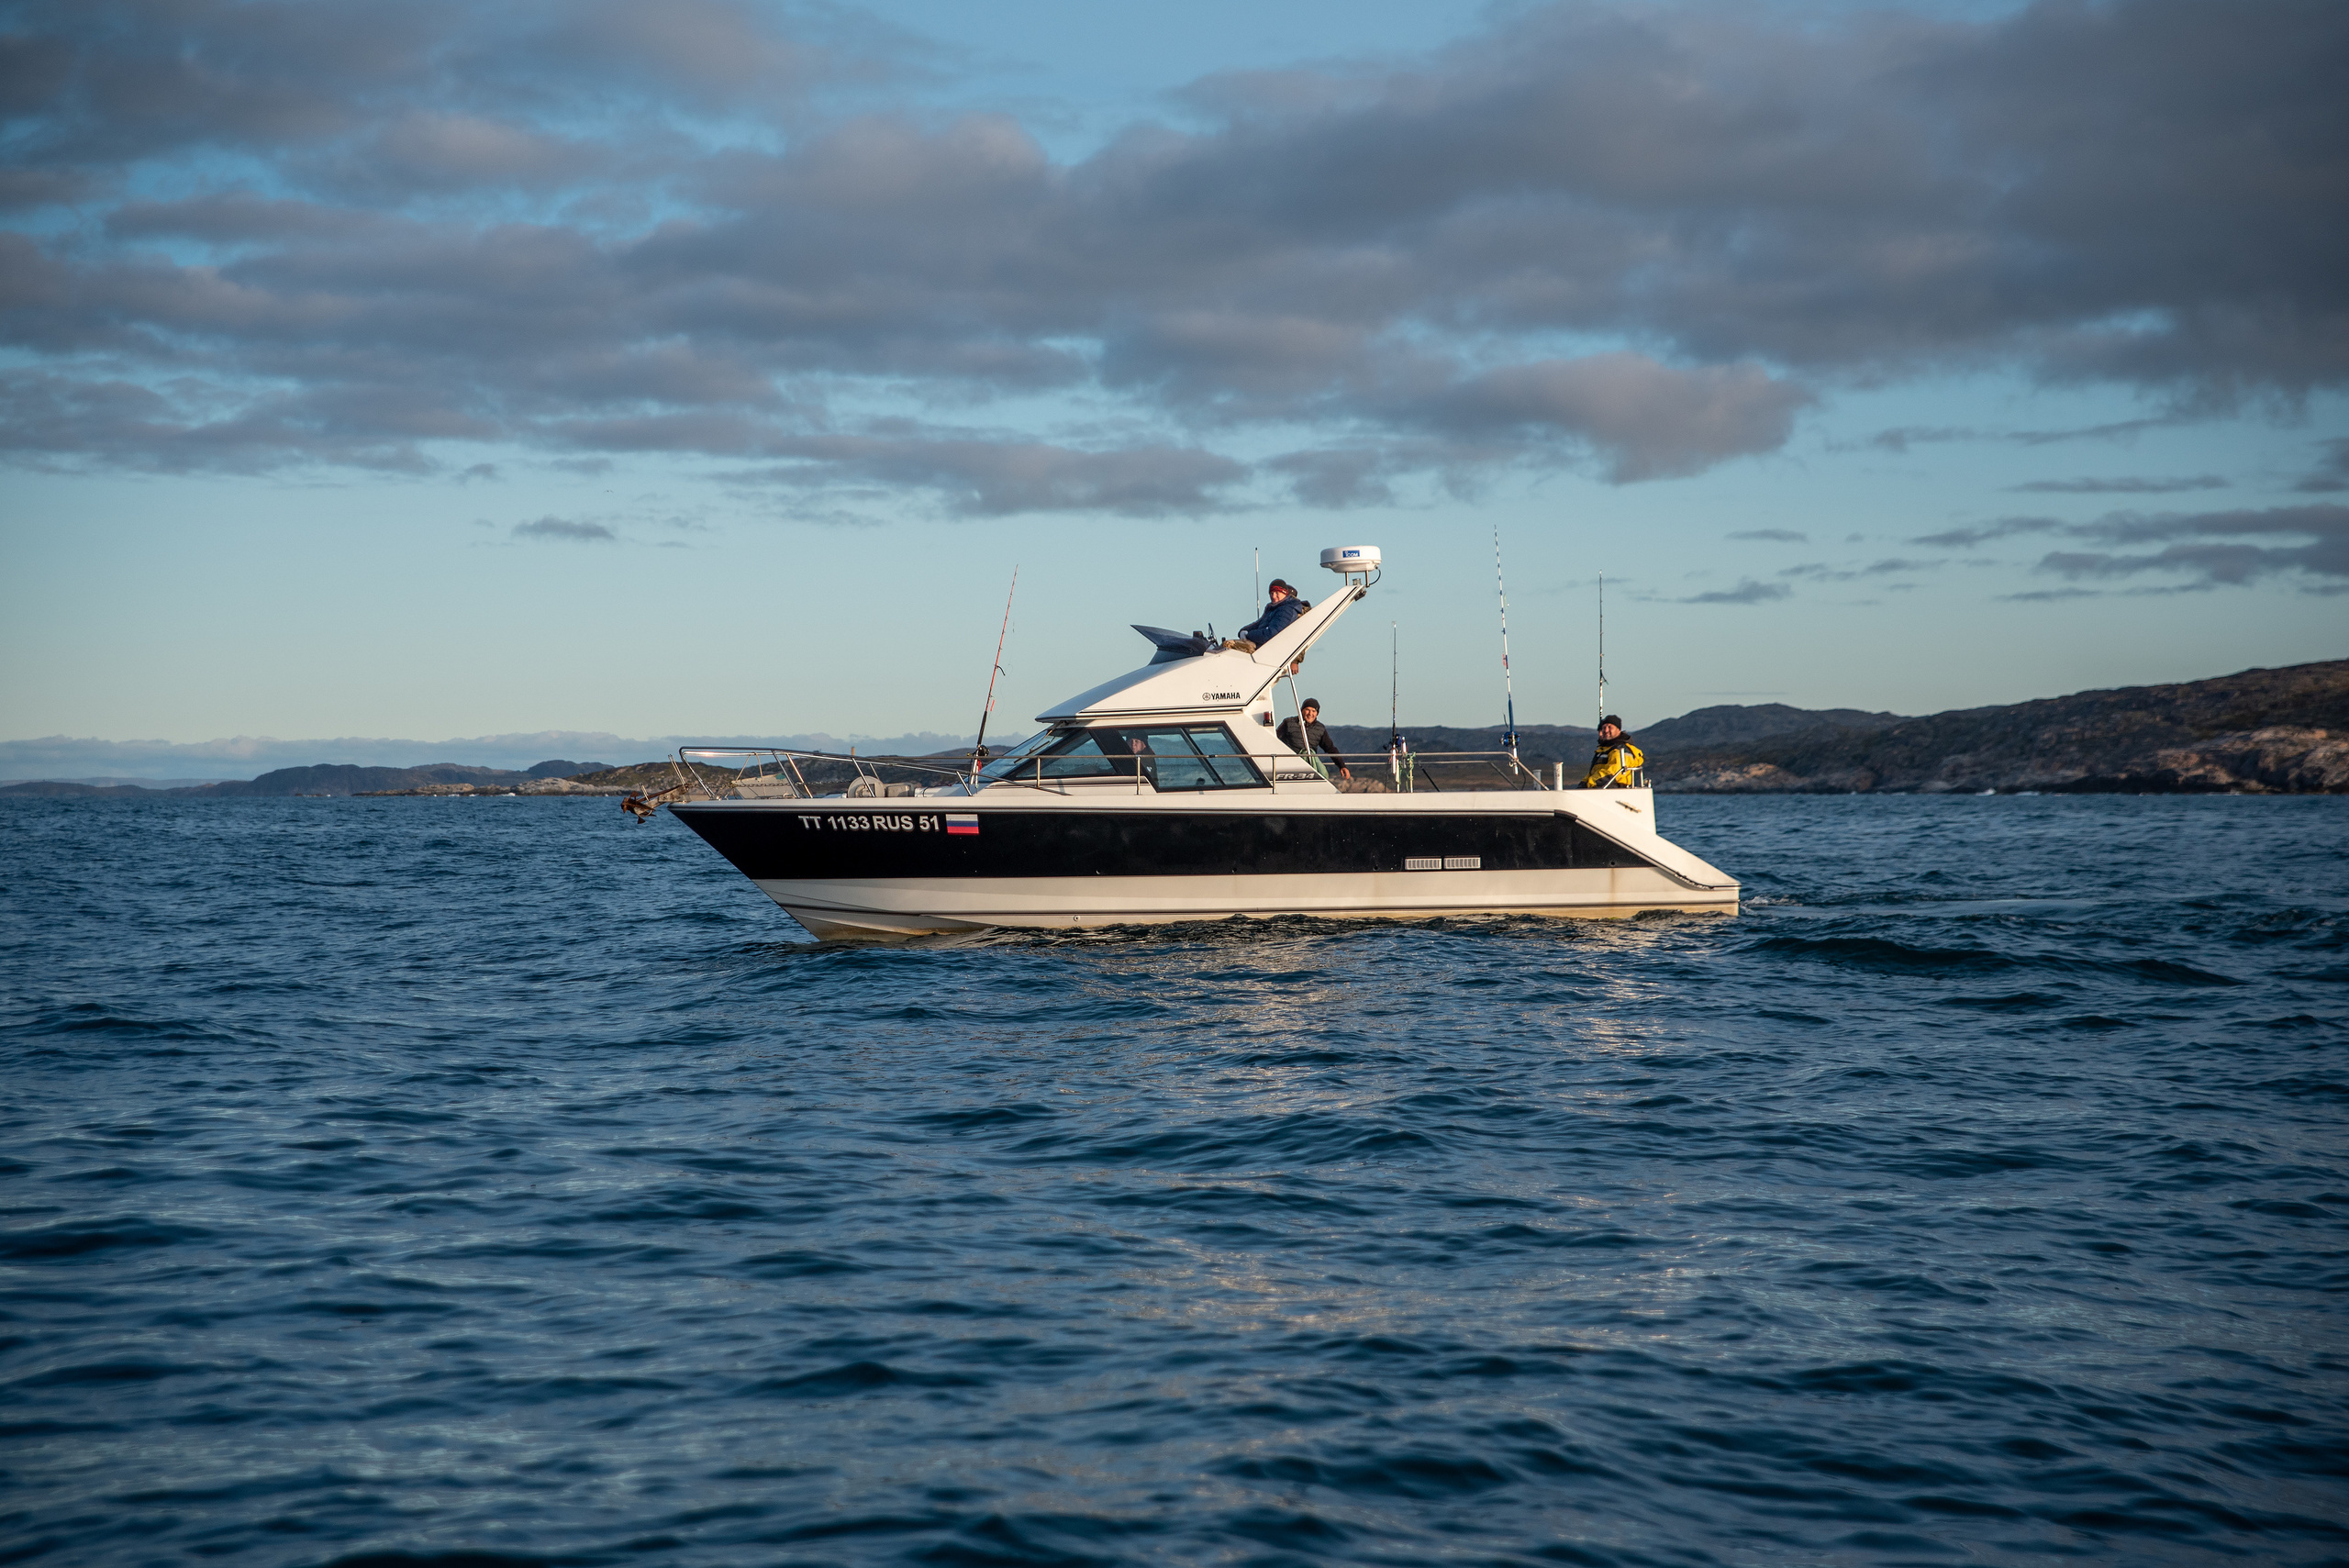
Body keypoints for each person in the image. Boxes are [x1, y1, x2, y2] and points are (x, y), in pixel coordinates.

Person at [1225, 579, 1308, 651]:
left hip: (1270, 651)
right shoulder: (1272, 608)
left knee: (1230, 646)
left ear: (1285, 593)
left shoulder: (1286, 610)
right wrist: (1243, 631)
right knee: (1226, 646)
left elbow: (1271, 634)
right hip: (1262, 648)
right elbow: (1258, 624)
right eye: (1271, 593)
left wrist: (1248, 635)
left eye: (1277, 593)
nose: (1273, 596)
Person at [1276, 699, 1351, 781]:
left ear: (1317, 713)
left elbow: (1330, 748)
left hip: (1309, 767)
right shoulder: (1289, 723)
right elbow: (1275, 739)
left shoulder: (1320, 728)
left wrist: (1342, 766)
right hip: (1288, 766)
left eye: (1313, 711)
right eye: (1307, 710)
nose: (1310, 714)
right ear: (1302, 710)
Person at [1584, 715, 1644, 788]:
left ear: (1618, 730)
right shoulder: (1604, 750)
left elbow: (1613, 772)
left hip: (1614, 788)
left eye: (1610, 727)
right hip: (1601, 788)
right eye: (1604, 728)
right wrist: (1583, 784)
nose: (1606, 730)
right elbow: (1593, 772)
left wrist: (1590, 783)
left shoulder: (1620, 749)